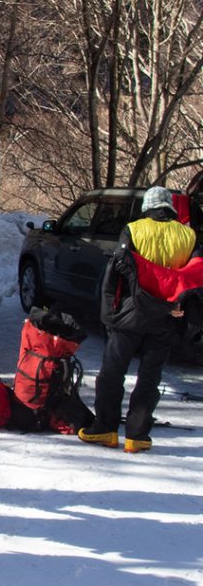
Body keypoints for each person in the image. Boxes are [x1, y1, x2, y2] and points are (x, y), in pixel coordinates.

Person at [79, 186, 202, 453]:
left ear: (147, 207)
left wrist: (108, 315)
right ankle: (137, 436)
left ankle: (105, 429)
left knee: (113, 372)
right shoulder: (189, 235)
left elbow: (115, 275)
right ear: (169, 207)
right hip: (168, 317)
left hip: (130, 314)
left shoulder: (134, 230)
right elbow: (194, 278)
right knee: (150, 378)